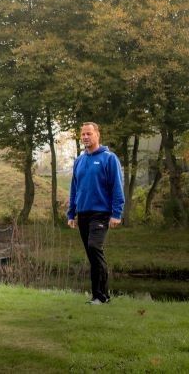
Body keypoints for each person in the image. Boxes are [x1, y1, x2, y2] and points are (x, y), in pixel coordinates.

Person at [67, 122, 124, 305]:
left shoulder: (109, 158)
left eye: (89, 134)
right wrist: (71, 214)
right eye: (82, 134)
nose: (85, 137)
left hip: (101, 213)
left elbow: (117, 187)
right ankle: (97, 296)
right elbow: (74, 189)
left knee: (94, 247)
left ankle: (102, 295)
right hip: (83, 213)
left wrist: (117, 213)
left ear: (97, 135)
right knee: (92, 256)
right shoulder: (79, 161)